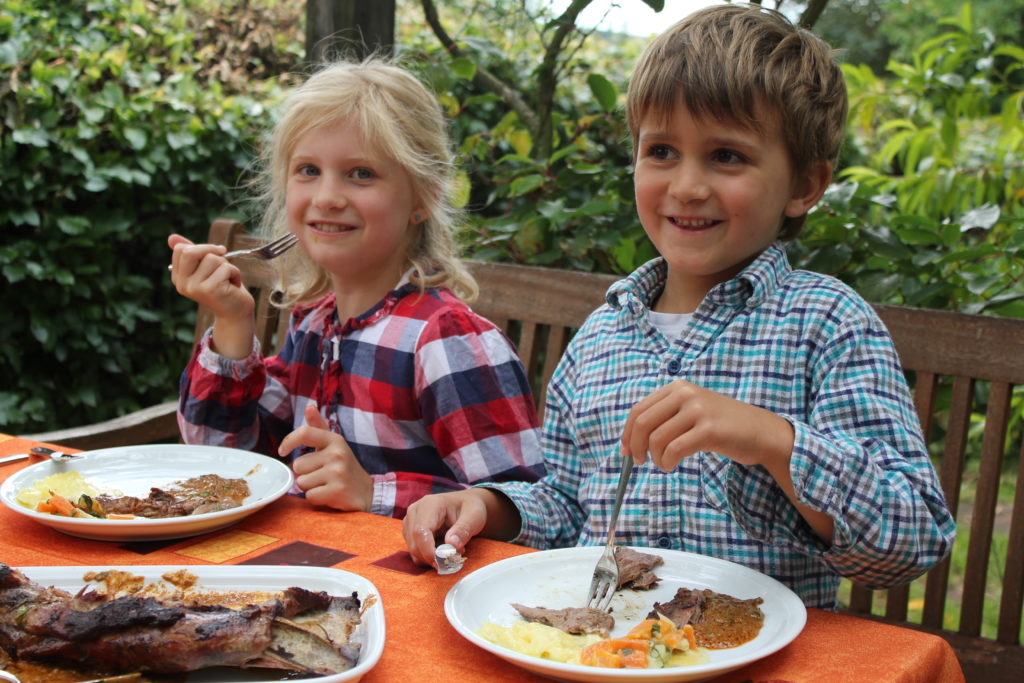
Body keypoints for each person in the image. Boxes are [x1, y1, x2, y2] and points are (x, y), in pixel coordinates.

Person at [403, 3, 955, 609]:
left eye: (727, 156)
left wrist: (773, 440)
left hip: (765, 660)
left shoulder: (828, 325)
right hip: (610, 657)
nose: (687, 186)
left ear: (804, 186)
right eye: (662, 151)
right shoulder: (599, 340)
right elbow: (566, 507)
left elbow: (913, 540)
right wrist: (488, 506)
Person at [168, 59, 545, 519]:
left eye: (361, 173)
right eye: (307, 170)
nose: (327, 196)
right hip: (315, 574)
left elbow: (524, 510)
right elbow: (223, 455)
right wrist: (231, 319)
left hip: (413, 588)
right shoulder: (314, 325)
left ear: (423, 197)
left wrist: (374, 493)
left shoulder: (446, 339)